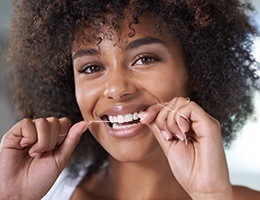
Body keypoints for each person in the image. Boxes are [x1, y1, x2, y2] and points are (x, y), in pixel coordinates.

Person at [0, 0, 260, 199]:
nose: (116, 88)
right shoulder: (39, 193)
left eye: (145, 59)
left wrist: (211, 196)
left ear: (197, 72)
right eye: (91, 68)